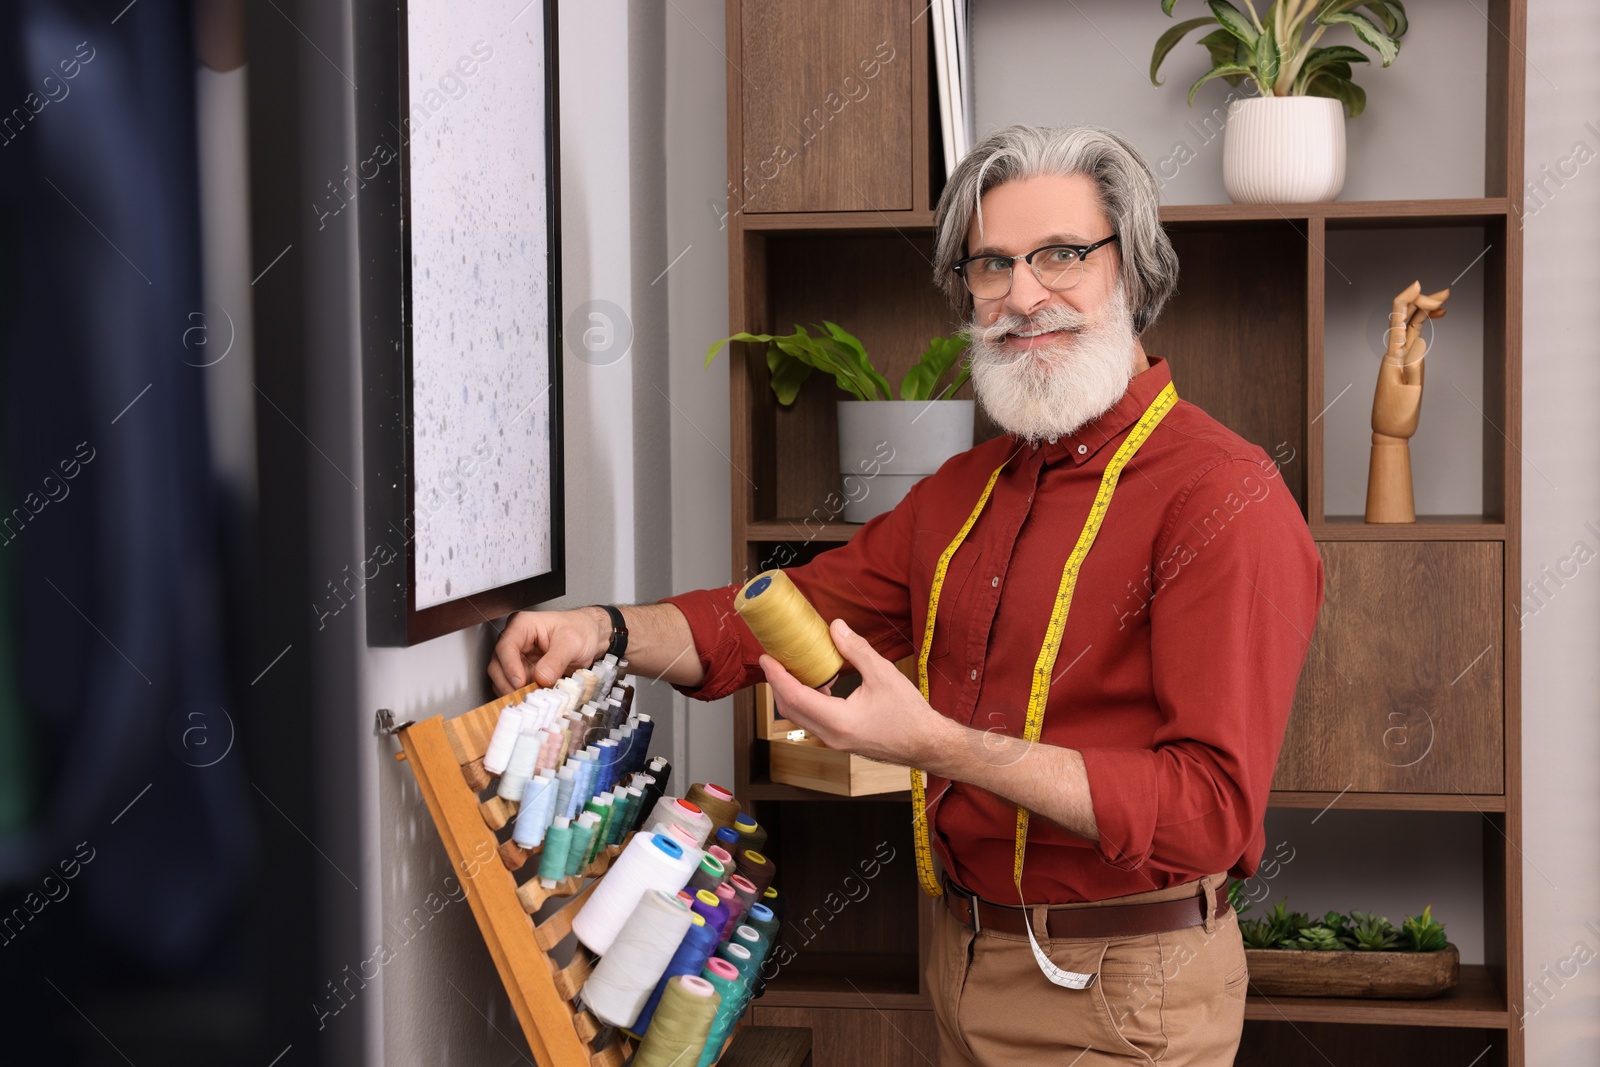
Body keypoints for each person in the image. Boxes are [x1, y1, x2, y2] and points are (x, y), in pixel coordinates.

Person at [490, 124, 1324, 1066]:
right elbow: (779, 610)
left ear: (1131, 272)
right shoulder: (965, 492)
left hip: (1127, 983)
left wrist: (938, 745)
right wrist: (601, 628)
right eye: (991, 266)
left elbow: (1210, 807)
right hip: (961, 956)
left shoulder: (1224, 496)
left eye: (1060, 256)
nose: (1022, 295)